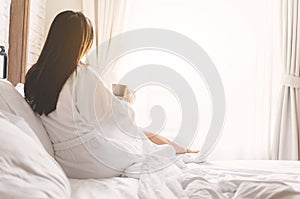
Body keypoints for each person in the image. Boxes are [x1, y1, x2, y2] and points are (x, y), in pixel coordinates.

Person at [24, 11, 196, 179]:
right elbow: (112, 118)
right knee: (146, 149)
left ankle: (182, 150)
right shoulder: (82, 75)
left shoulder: (33, 77)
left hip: (65, 163)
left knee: (140, 141)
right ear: (80, 45)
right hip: (94, 159)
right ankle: (183, 151)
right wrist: (125, 101)